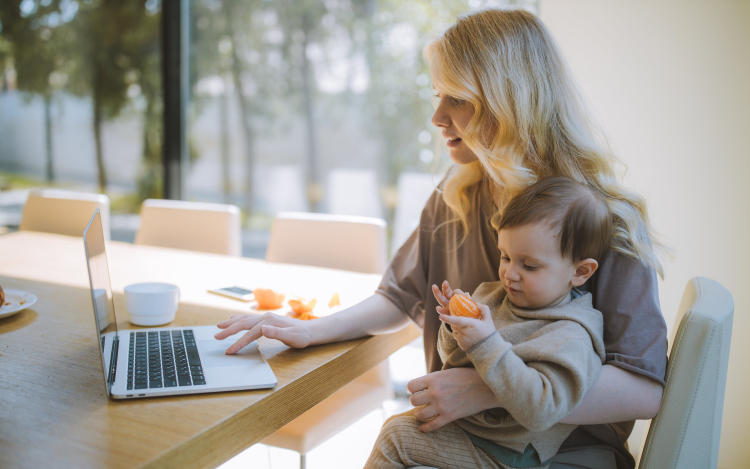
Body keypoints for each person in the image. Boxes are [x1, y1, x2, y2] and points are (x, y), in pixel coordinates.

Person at [214, 8, 668, 469]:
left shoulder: (604, 220)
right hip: (462, 440)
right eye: (437, 95)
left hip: (563, 455)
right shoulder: (456, 194)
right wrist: (312, 330)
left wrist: (487, 389)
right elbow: (399, 296)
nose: (436, 116)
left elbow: (644, 389)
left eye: (457, 99)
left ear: (510, 102)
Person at [365, 176, 611, 469]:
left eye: (529, 265)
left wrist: (485, 343)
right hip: (472, 431)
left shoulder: (571, 333)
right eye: (505, 256)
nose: (510, 274)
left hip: (509, 454)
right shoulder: (494, 296)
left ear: (580, 271)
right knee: (397, 425)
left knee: (395, 437)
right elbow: (455, 361)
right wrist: (455, 327)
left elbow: (542, 410)